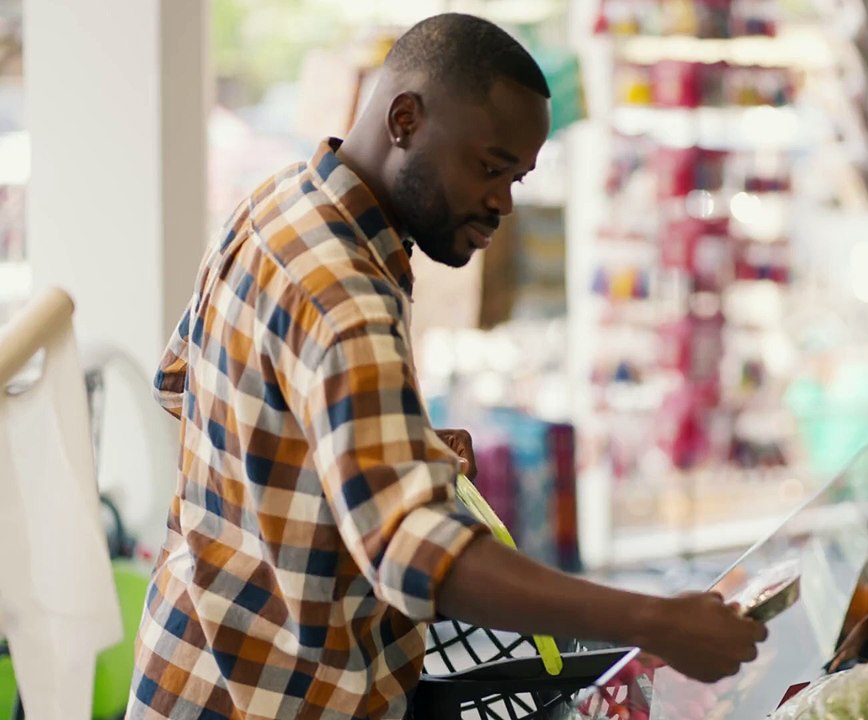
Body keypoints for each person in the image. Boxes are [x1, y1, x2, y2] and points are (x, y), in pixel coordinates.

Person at [127, 13, 766, 720]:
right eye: (490, 167)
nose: (502, 204)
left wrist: (384, 454)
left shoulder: (278, 204)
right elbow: (419, 555)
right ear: (404, 119)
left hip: (185, 672)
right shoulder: (348, 298)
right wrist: (657, 623)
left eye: (517, 178)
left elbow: (186, 387)